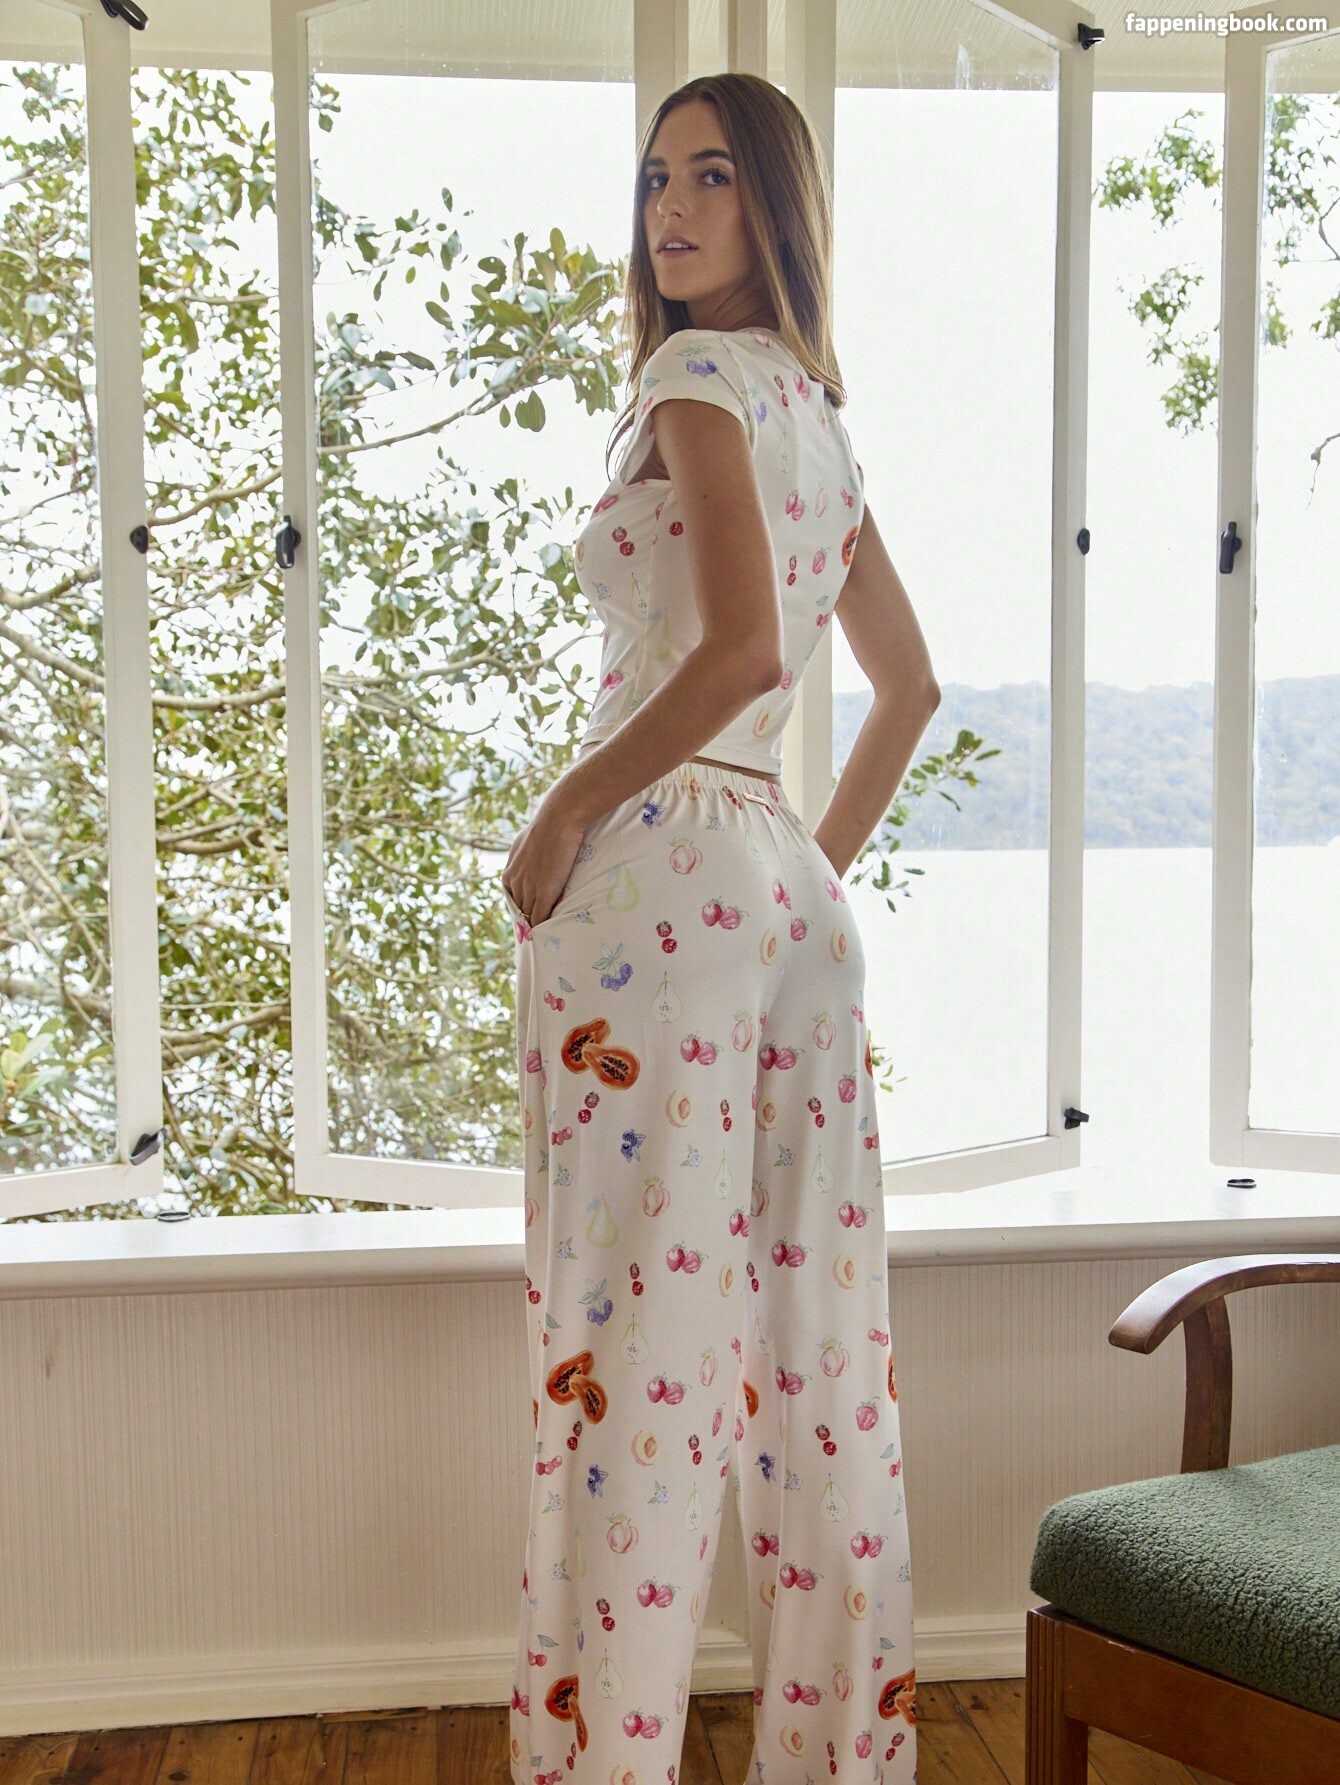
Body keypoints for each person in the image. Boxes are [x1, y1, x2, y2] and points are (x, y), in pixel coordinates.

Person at [502, 69, 938, 1785]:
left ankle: (604, 1765)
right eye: (654, 179)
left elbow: (745, 651)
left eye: (711, 178)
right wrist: (790, 876)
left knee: (632, 1357)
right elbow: (905, 688)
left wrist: (570, 804)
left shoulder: (692, 378)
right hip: (782, 891)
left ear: (775, 203)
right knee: (816, 1352)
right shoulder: (817, 411)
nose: (670, 211)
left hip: (662, 878)